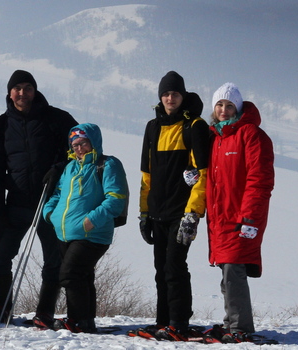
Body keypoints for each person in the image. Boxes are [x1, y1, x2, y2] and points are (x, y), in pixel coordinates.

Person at [0, 70, 78, 325]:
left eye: (27, 88)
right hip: (16, 203)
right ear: (9, 92)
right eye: (17, 88)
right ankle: (3, 309)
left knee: (54, 260)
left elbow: (81, 150)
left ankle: (44, 312)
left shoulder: (57, 118)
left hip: (52, 202)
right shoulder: (1, 124)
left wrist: (59, 168)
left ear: (35, 91)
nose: (22, 93)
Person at [136, 71, 209, 340]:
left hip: (182, 211)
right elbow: (147, 174)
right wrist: (144, 212)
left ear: (183, 96)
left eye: (175, 94)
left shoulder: (195, 126)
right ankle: (163, 321)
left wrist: (193, 214)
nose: (170, 98)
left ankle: (179, 322)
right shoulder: (152, 127)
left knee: (174, 267)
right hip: (158, 211)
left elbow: (203, 173)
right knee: (160, 269)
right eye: (166, 94)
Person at [205, 83, 274, 343]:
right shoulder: (215, 137)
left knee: (234, 271)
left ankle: (241, 327)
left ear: (238, 107)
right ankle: (230, 323)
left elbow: (260, 179)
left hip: (241, 217)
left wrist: (250, 217)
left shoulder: (252, 135)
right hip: (219, 218)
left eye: (229, 105)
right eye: (219, 105)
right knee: (227, 271)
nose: (223, 110)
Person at [42, 123, 128, 333]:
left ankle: (77, 320)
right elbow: (57, 194)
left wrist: (91, 220)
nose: (79, 148)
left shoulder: (107, 165)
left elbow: (116, 198)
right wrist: (50, 214)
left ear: (94, 142)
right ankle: (86, 321)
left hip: (93, 234)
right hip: (65, 233)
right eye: (75, 144)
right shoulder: (70, 167)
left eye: (83, 143)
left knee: (69, 275)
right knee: (83, 276)